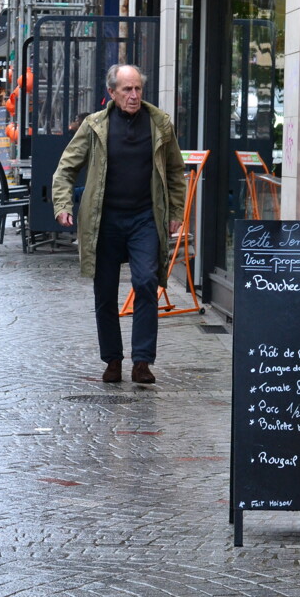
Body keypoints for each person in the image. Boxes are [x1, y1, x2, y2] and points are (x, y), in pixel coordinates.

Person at [51, 64, 186, 385]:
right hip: (104, 220)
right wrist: (62, 205)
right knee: (105, 292)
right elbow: (66, 169)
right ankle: (112, 359)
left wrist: (175, 212)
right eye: (127, 89)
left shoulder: (160, 124)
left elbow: (174, 171)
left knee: (146, 282)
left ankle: (142, 361)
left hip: (145, 218)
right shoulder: (94, 125)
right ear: (111, 92)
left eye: (138, 88)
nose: (134, 95)